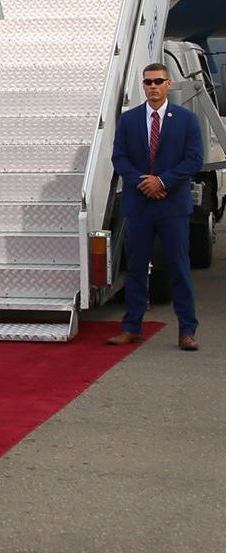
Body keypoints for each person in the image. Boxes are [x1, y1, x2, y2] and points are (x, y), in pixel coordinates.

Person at [109, 62, 202, 350]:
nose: (153, 87)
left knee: (179, 269)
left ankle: (187, 331)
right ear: (143, 85)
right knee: (136, 269)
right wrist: (144, 183)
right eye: (148, 82)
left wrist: (162, 182)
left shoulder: (186, 120)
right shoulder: (129, 120)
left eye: (158, 81)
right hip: (140, 206)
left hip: (172, 207)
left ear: (168, 84)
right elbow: (119, 158)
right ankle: (132, 327)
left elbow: (193, 159)